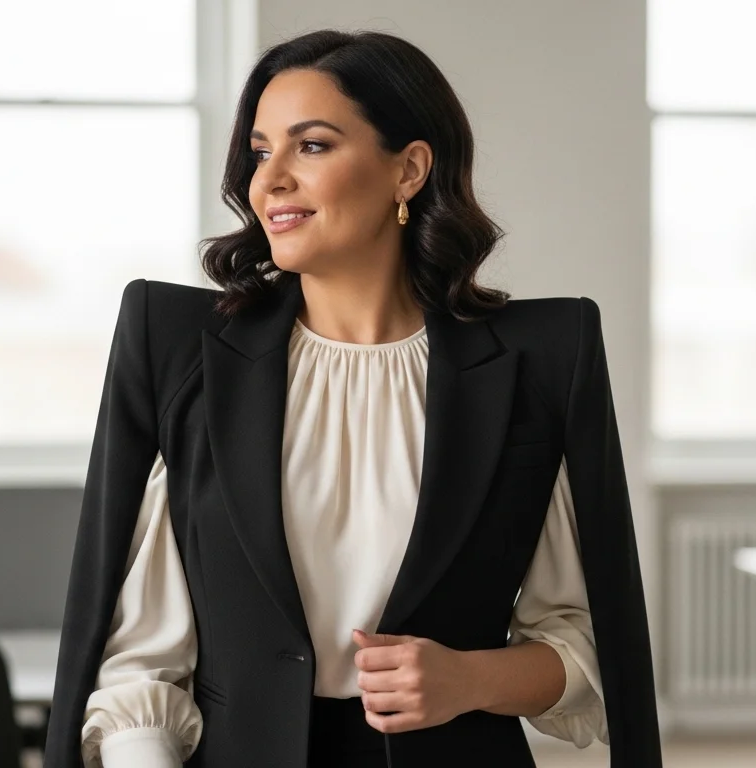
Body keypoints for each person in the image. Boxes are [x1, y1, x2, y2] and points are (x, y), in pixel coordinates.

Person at [43, 29, 661, 768]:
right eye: (260, 149)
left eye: (311, 146)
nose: (268, 179)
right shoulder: (183, 355)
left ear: (409, 170)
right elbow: (138, 666)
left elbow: (590, 645)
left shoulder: (534, 364)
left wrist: (471, 678)